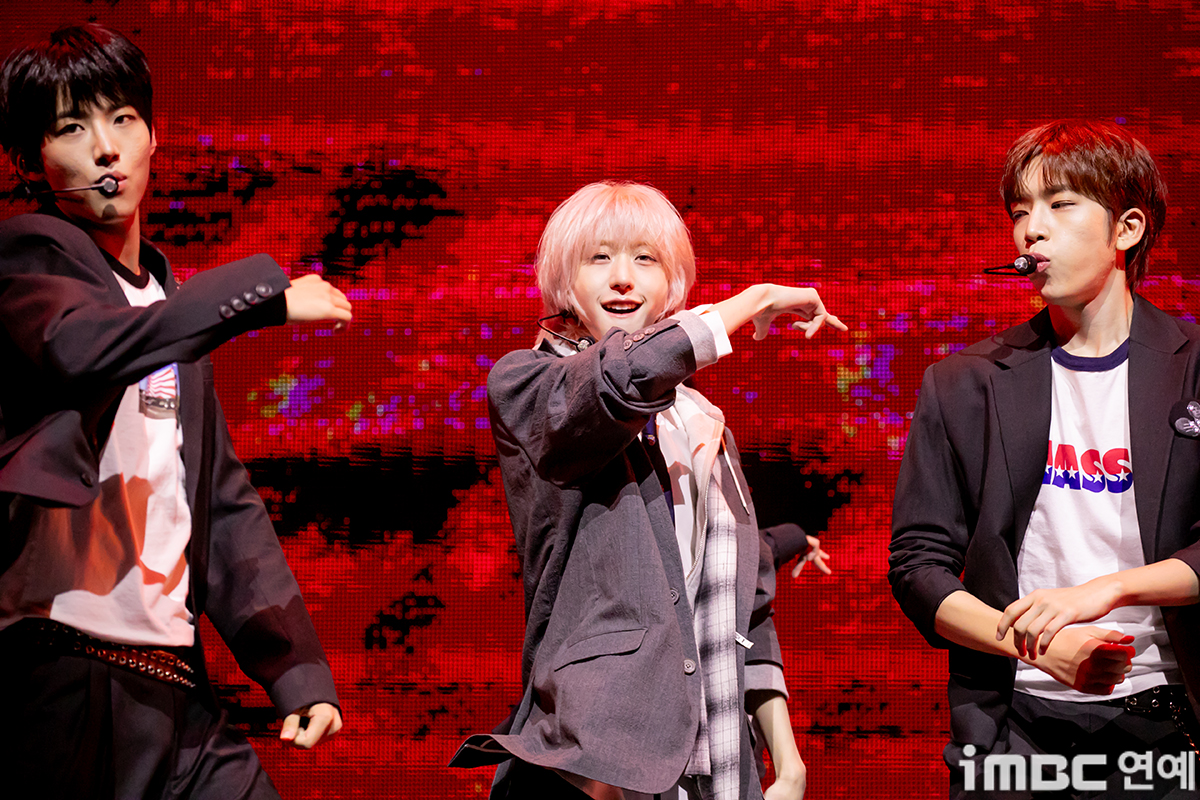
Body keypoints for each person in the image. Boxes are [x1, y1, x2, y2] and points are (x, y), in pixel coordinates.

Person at [0, 24, 351, 799]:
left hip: (174, 686)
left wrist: (296, 671)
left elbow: (223, 507)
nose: (106, 150)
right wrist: (259, 297)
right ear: (30, 161)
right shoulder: (27, 257)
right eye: (72, 128)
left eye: (123, 119)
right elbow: (79, 346)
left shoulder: (170, 307)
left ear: (154, 136)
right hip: (59, 671)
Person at [450, 181, 845, 799]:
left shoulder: (704, 423)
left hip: (718, 761)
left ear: (671, 284)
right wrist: (755, 299)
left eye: (644, 258)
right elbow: (622, 380)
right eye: (599, 258)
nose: (622, 279)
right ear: (565, 283)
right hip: (599, 759)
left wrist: (787, 761)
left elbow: (745, 606)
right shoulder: (531, 384)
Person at [889, 120, 1200, 798]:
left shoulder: (1194, 366)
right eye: (1020, 211)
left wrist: (1110, 589)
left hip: (1171, 724)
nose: (1031, 230)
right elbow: (918, 567)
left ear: (1127, 230)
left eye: (1060, 205)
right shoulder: (963, 383)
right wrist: (1036, 645)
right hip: (1014, 725)